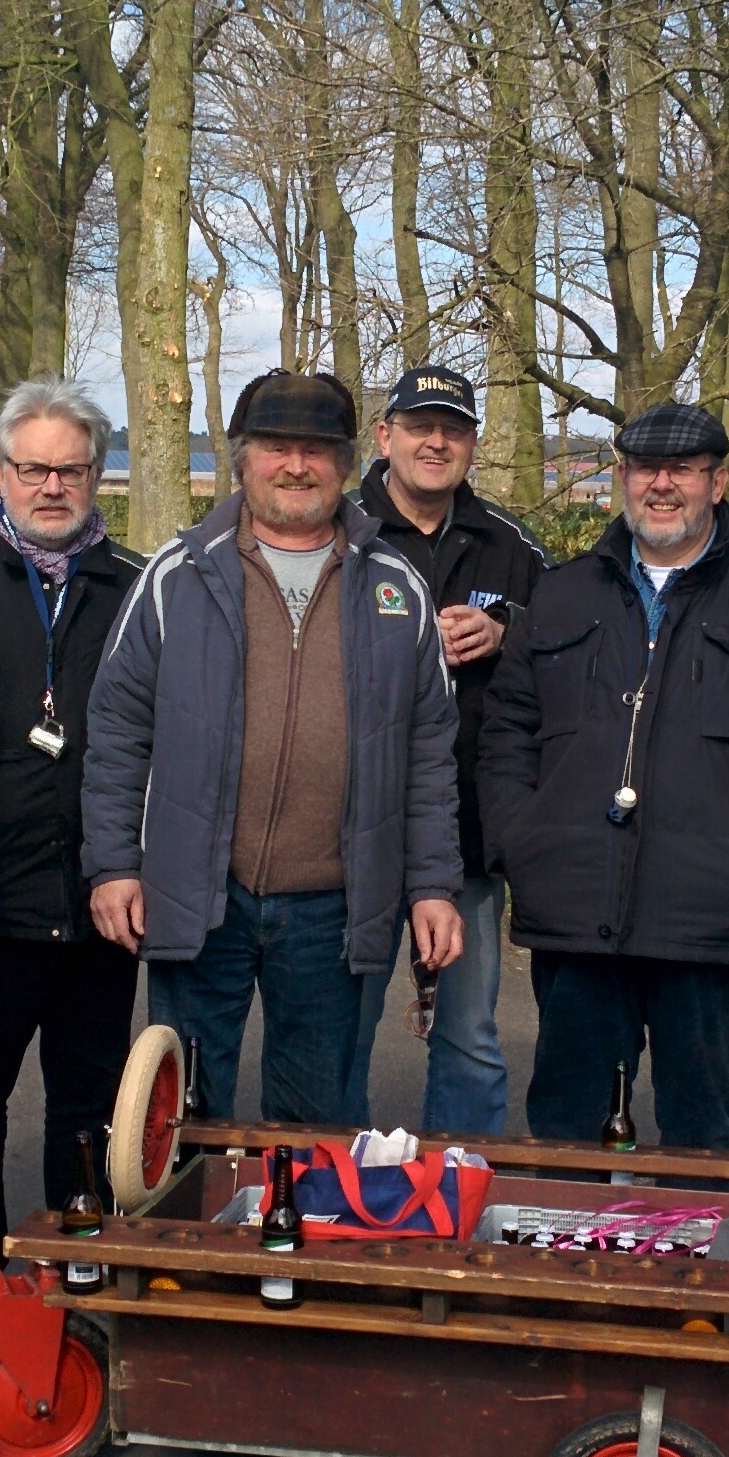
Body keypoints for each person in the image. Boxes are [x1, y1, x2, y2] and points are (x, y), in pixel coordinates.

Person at [82, 369, 466, 1124]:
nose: (296, 465)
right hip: (198, 895)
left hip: (335, 904)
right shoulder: (176, 577)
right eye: (276, 447)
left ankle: (292, 1241)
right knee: (184, 1115)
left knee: (313, 1120)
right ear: (240, 459)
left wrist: (432, 886)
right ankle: (191, 1240)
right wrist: (114, 866)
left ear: (350, 462)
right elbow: (118, 733)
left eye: (317, 450)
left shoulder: (395, 588)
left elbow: (428, 756)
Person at [479, 401, 729, 1152]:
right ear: (622, 478)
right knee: (569, 1132)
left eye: (683, 470)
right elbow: (507, 734)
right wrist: (521, 845)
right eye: (643, 468)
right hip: (577, 915)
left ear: (718, 482)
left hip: (716, 924)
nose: (661, 486)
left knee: (705, 1141)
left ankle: (694, 1272)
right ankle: (570, 1269)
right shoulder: (562, 595)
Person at [0, 381, 146, 1257]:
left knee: (88, 1110)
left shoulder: (137, 588)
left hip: (100, 902)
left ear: (97, 475)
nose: (51, 486)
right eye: (33, 469)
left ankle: (76, 1265)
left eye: (71, 469)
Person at [351, 364, 551, 1135]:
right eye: (420, 427)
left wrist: (510, 632)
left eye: (454, 430)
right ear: (385, 436)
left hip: (464, 835)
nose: (437, 442)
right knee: (344, 1034)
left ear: (474, 443)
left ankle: (456, 1209)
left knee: (469, 1036)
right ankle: (343, 1205)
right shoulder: (342, 532)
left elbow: (571, 641)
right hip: (354, 834)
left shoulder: (510, 543)